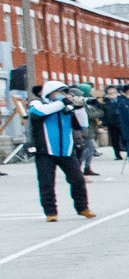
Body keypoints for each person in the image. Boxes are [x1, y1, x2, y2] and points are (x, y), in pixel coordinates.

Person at [26, 84, 96, 220]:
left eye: (65, 92)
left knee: (78, 180)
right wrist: (62, 102)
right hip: (45, 151)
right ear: (50, 92)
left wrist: (79, 107)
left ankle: (83, 208)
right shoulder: (38, 104)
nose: (63, 95)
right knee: (47, 182)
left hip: (67, 151)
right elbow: (40, 113)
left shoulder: (66, 107)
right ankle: (51, 212)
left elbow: (82, 125)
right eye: (60, 92)